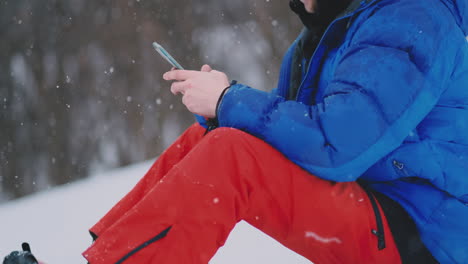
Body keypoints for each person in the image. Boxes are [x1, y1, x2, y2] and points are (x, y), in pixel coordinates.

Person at [83, 0, 468, 263]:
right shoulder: (332, 31)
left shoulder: (410, 18)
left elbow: (337, 146)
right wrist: (220, 107)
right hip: (373, 206)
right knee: (208, 141)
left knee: (230, 155)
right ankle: (105, 255)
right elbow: (281, 137)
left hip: (422, 236)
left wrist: (228, 100)